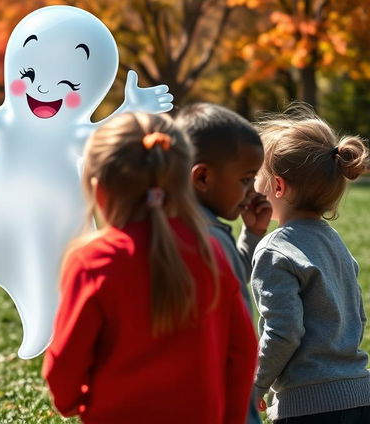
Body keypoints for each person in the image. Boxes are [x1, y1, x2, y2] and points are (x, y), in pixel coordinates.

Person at [43, 112, 258, 424]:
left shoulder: (93, 260)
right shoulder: (211, 253)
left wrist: (71, 401)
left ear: (98, 189)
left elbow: (65, 361)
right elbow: (242, 351)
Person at [251, 106, 370, 423]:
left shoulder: (276, 249)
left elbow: (282, 331)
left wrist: (255, 385)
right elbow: (357, 316)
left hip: (308, 407)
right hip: (361, 395)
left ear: (277, 186)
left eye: (255, 177)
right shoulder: (334, 243)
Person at [176, 102, 272, 424]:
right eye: (246, 179)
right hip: (222, 395)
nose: (252, 191)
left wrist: (252, 234)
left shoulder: (175, 228)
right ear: (202, 177)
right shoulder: (206, 239)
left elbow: (229, 280)